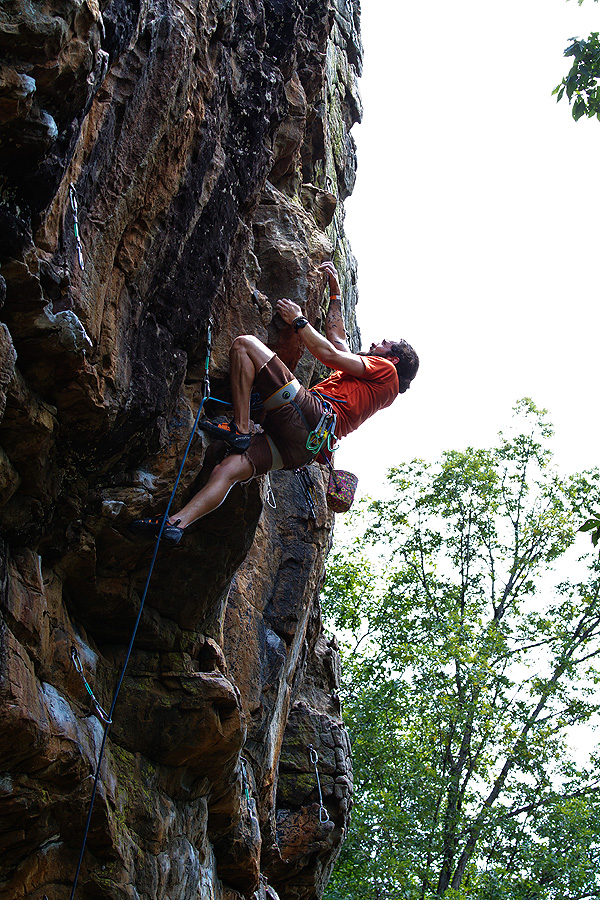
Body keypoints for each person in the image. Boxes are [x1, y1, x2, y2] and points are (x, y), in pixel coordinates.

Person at [129, 262, 419, 544]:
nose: (377, 342)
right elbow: (337, 340)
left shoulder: (387, 370)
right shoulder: (374, 382)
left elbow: (328, 354)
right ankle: (176, 523)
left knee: (245, 344)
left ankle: (240, 428)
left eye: (385, 343)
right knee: (228, 470)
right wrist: (335, 294)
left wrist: (299, 320)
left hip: (310, 416)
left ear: (393, 358)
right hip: (303, 449)